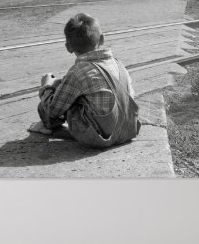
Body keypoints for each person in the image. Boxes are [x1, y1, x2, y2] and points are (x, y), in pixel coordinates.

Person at [28, 13, 140, 148]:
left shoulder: (78, 72)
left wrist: (46, 87)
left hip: (100, 139)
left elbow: (53, 110)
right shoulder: (118, 64)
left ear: (68, 47)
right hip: (127, 131)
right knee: (67, 87)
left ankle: (50, 128)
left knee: (51, 100)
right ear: (102, 39)